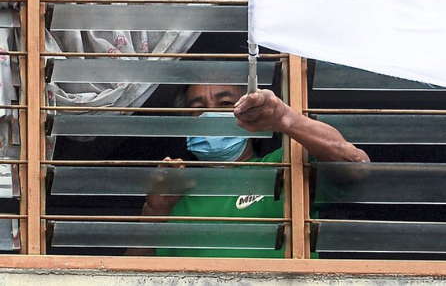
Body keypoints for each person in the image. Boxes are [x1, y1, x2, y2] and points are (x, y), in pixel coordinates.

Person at [127, 84, 369, 257]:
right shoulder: (172, 194)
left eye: (225, 104)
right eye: (198, 109)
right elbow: (127, 276)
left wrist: (286, 118)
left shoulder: (284, 165)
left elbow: (356, 167)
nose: (211, 115)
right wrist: (155, 211)